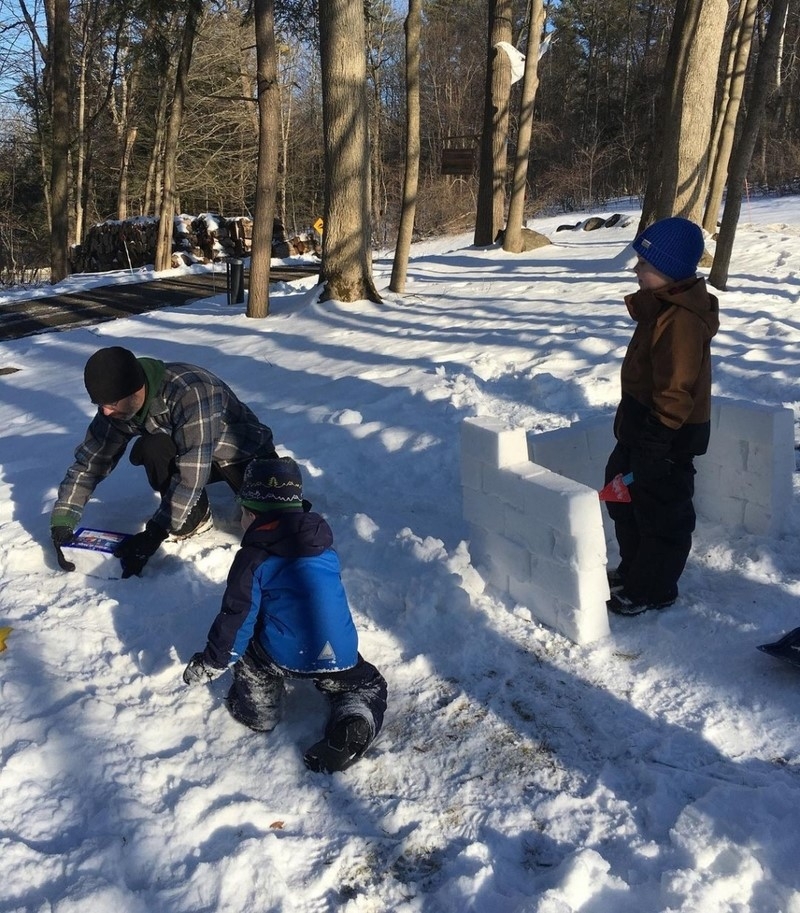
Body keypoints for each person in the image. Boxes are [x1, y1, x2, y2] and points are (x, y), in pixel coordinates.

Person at [182, 456, 388, 773]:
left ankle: (260, 711)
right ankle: (355, 717)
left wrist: (212, 662)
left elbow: (236, 620)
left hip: (283, 656)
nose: (240, 522)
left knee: (248, 644)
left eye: (242, 514)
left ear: (252, 514)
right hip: (339, 653)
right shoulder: (323, 547)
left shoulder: (253, 558)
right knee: (367, 684)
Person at [50, 346, 278, 578]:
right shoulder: (116, 408)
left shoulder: (191, 391)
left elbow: (192, 469)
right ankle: (195, 517)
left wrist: (155, 531)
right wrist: (62, 520)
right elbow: (90, 462)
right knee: (153, 448)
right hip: (193, 458)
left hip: (245, 455)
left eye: (111, 403)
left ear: (136, 390)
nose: (105, 412)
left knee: (273, 529)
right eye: (100, 404)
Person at [604, 216, 720, 616]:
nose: (636, 270)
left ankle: (654, 588)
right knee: (621, 496)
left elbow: (676, 389)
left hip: (666, 435)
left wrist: (656, 443)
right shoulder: (659, 308)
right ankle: (635, 570)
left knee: (662, 514)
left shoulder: (681, 320)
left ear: (668, 271)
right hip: (642, 428)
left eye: (645, 265)